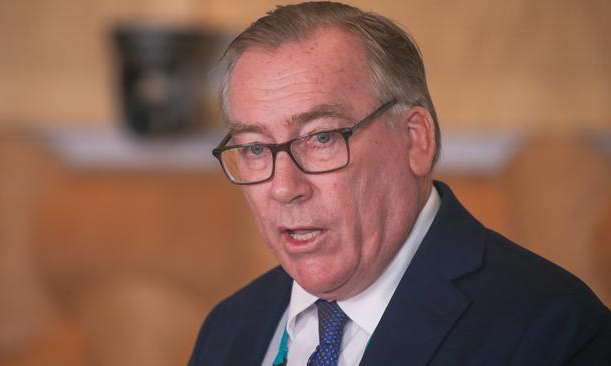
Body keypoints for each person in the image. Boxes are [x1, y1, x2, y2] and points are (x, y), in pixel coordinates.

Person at [189, 2, 611, 365]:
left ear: (415, 140)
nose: (285, 188)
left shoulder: (555, 333)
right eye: (256, 148)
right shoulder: (228, 330)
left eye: (321, 138)